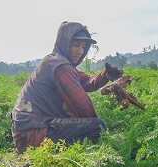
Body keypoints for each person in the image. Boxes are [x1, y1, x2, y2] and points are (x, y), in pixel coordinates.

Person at [11, 21, 122, 153]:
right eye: (76, 45)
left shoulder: (56, 62)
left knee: (89, 125)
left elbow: (85, 81)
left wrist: (105, 75)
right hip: (33, 134)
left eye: (83, 47)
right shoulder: (60, 66)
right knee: (97, 127)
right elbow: (82, 106)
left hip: (27, 132)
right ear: (65, 43)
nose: (80, 51)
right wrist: (104, 134)